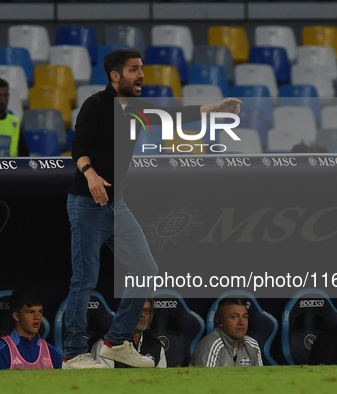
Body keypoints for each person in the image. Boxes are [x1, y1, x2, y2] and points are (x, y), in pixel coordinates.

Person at [63, 48, 242, 369]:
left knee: (146, 269)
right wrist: (89, 174)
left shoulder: (136, 109)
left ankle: (116, 342)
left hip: (118, 206)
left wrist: (218, 107)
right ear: (115, 75)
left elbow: (175, 114)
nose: (141, 75)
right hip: (87, 205)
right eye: (134, 69)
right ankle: (73, 354)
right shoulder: (95, 106)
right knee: (84, 281)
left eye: (141, 68)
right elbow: (79, 146)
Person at [0, 289, 62, 370]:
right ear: (16, 316)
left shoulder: (52, 353)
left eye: (40, 312)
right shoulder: (0, 352)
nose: (37, 317)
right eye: (30, 312)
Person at [91, 298, 166, 368]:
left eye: (147, 311)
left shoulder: (156, 346)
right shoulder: (106, 344)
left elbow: (162, 379)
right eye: (138, 310)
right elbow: (103, 379)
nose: (142, 314)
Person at [190, 298, 262, 367]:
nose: (242, 322)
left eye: (245, 317)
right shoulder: (211, 346)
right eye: (234, 317)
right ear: (220, 321)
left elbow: (261, 378)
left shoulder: (252, 345)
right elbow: (207, 379)